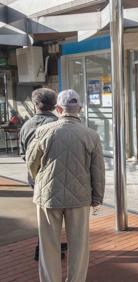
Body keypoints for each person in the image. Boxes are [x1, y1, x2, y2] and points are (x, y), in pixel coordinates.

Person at [26, 89, 105, 282]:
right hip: (79, 197)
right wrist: (97, 198)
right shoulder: (91, 135)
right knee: (79, 245)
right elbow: (98, 171)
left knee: (49, 245)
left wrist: (40, 181)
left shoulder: (43, 131)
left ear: (59, 109)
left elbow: (31, 163)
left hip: (47, 196)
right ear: (80, 108)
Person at [19, 88, 64, 261]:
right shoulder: (60, 124)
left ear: (35, 104)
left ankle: (46, 246)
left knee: (45, 214)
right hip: (57, 175)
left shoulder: (26, 126)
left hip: (35, 176)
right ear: (54, 105)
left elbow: (24, 154)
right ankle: (46, 248)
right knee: (58, 214)